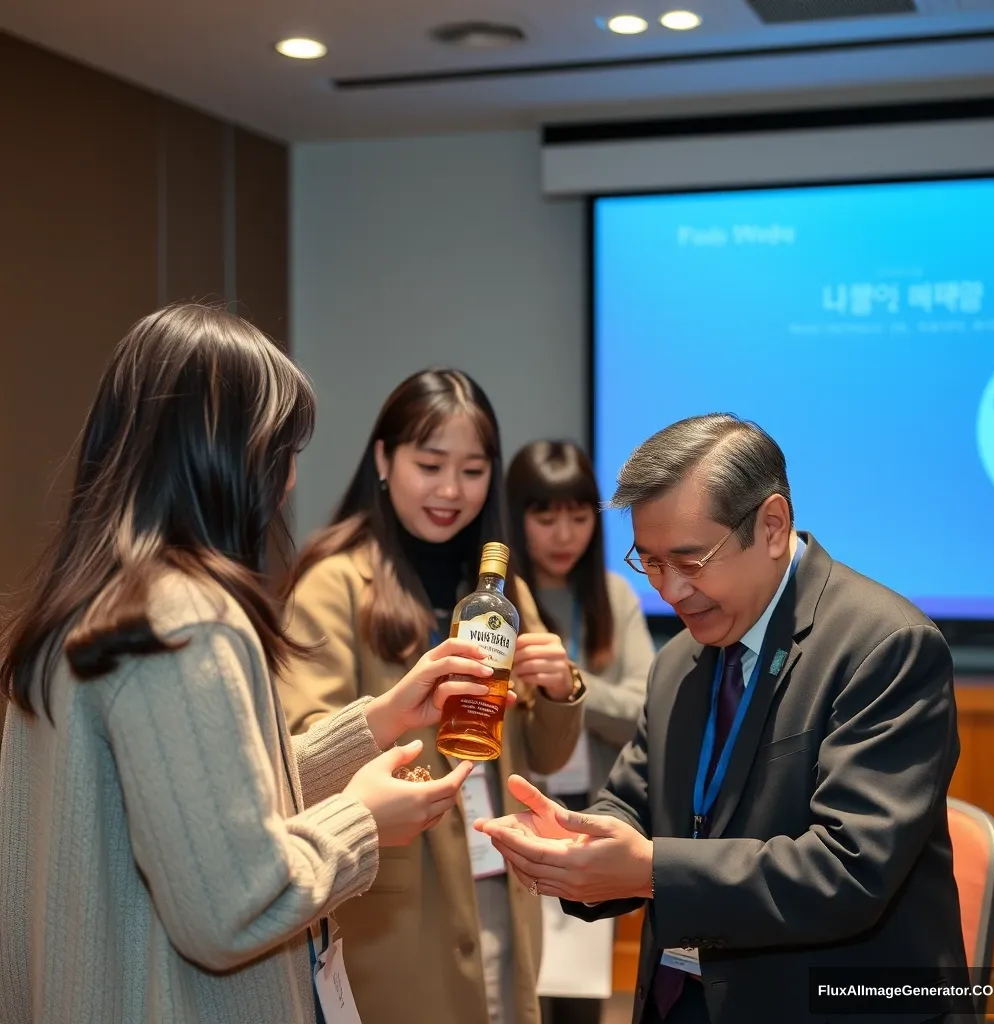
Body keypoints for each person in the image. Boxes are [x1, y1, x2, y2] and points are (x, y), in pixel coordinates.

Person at [0, 305, 505, 1024]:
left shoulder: (87, 598)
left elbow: (205, 799)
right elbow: (232, 903)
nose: (291, 481)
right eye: (282, 451)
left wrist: (380, 720)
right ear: (223, 454)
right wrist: (362, 818)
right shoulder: (186, 619)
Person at [477, 413, 973, 1024]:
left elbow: (847, 870)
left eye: (689, 561)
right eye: (651, 563)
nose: (670, 591)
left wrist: (651, 871)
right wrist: (575, 842)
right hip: (682, 996)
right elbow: (632, 801)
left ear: (771, 526)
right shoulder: (678, 661)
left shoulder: (886, 645)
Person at [277, 369, 586, 1024]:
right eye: (430, 464)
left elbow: (541, 755)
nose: (451, 490)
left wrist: (561, 689)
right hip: (393, 905)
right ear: (384, 460)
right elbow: (305, 752)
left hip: (500, 885)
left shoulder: (504, 596)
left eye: (473, 470)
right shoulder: (335, 582)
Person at [506, 440, 655, 1024]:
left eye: (578, 517)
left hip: (587, 812)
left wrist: (568, 688)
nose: (564, 534)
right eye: (545, 517)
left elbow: (644, 708)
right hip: (510, 807)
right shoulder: (493, 603)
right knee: (519, 989)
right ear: (515, 520)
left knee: (577, 1001)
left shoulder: (613, 597)